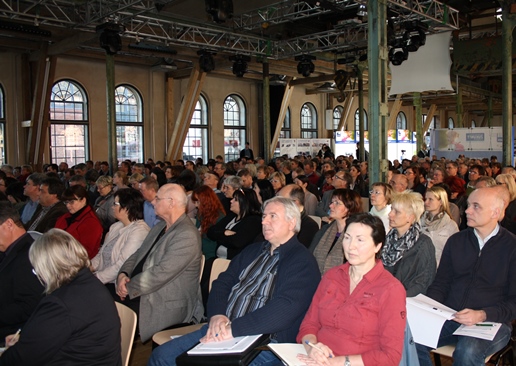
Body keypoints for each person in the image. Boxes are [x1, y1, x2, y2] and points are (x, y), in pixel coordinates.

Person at [148, 196, 321, 366]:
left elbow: (284, 309)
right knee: (162, 356)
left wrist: (233, 329)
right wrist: (217, 316)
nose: (264, 222)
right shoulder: (253, 251)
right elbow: (222, 282)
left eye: (272, 216)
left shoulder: (302, 261)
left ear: (291, 223)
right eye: (263, 216)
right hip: (222, 328)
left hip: (264, 342)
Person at [416, 186, 516, 366]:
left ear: (496, 212)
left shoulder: (511, 247)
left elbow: (514, 301)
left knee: (467, 351)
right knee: (408, 338)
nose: (467, 210)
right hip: (451, 316)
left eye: (476, 206)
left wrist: (483, 314)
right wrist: (428, 310)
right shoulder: (456, 241)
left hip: (492, 321)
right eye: (468, 205)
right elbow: (441, 284)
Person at [297, 213, 406, 366]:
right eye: (347, 237)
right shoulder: (332, 276)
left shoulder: (391, 289)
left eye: (360, 240)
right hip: (316, 360)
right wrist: (311, 348)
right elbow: (309, 324)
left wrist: (341, 362)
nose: (350, 246)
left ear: (377, 246)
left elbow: (390, 356)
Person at [0, 229, 121, 366]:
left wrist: (10, 351)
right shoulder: (89, 283)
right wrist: (25, 340)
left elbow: (20, 359)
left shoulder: (61, 303)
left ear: (48, 267)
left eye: (36, 270)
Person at [116, 184, 203, 342]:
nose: (152, 202)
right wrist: (123, 274)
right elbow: (138, 254)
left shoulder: (186, 235)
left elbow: (160, 274)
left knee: (107, 318)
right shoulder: (161, 226)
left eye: (157, 199)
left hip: (165, 300)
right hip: (143, 289)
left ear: (171, 203)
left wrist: (127, 287)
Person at [0, 202, 44, 343]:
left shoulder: (29, 256)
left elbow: (30, 305)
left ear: (9, 224)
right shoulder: (11, 251)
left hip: (14, 335)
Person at [91, 188, 149, 284]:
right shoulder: (116, 226)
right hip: (102, 279)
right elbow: (100, 256)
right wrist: (86, 268)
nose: (112, 207)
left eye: (115, 204)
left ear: (126, 208)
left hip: (116, 284)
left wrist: (96, 278)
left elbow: (122, 265)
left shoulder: (139, 231)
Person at [382, 191, 436, 297]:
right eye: (391, 209)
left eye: (396, 212)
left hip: (406, 300)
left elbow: (423, 282)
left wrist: (399, 296)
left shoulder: (423, 244)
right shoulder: (388, 239)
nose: (390, 214)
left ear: (410, 218)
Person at [309, 189, 362, 274]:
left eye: (337, 203)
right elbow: (310, 256)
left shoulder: (357, 235)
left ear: (350, 207)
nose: (331, 206)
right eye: (332, 202)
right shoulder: (325, 230)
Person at [207, 188, 262, 259]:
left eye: (235, 200)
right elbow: (210, 232)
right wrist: (225, 232)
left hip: (234, 262)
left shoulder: (254, 221)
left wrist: (219, 235)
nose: (231, 201)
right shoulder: (231, 216)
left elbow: (237, 242)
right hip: (219, 259)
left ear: (244, 203)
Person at [54, 185, 103, 259]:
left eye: (71, 202)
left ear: (83, 200)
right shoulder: (64, 217)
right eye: (66, 202)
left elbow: (85, 252)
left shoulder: (91, 222)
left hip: (75, 263)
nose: (68, 206)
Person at [420, 186, 459, 264]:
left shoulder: (450, 225)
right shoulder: (419, 221)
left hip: (440, 267)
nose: (426, 202)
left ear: (441, 202)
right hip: (420, 267)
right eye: (425, 199)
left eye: (430, 199)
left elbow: (456, 251)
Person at [191, 185, 226, 260]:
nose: (196, 205)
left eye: (198, 202)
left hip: (209, 256)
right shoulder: (200, 214)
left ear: (206, 201)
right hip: (198, 253)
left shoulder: (219, 217)